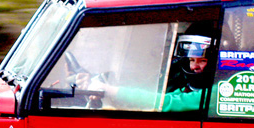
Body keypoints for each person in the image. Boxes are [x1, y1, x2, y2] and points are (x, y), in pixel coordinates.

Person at [78, 27, 216, 112]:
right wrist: (101, 85)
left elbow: (168, 102)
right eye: (191, 60)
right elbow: (149, 91)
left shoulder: (221, 91)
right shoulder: (180, 78)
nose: (193, 67)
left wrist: (111, 90)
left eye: (202, 61)